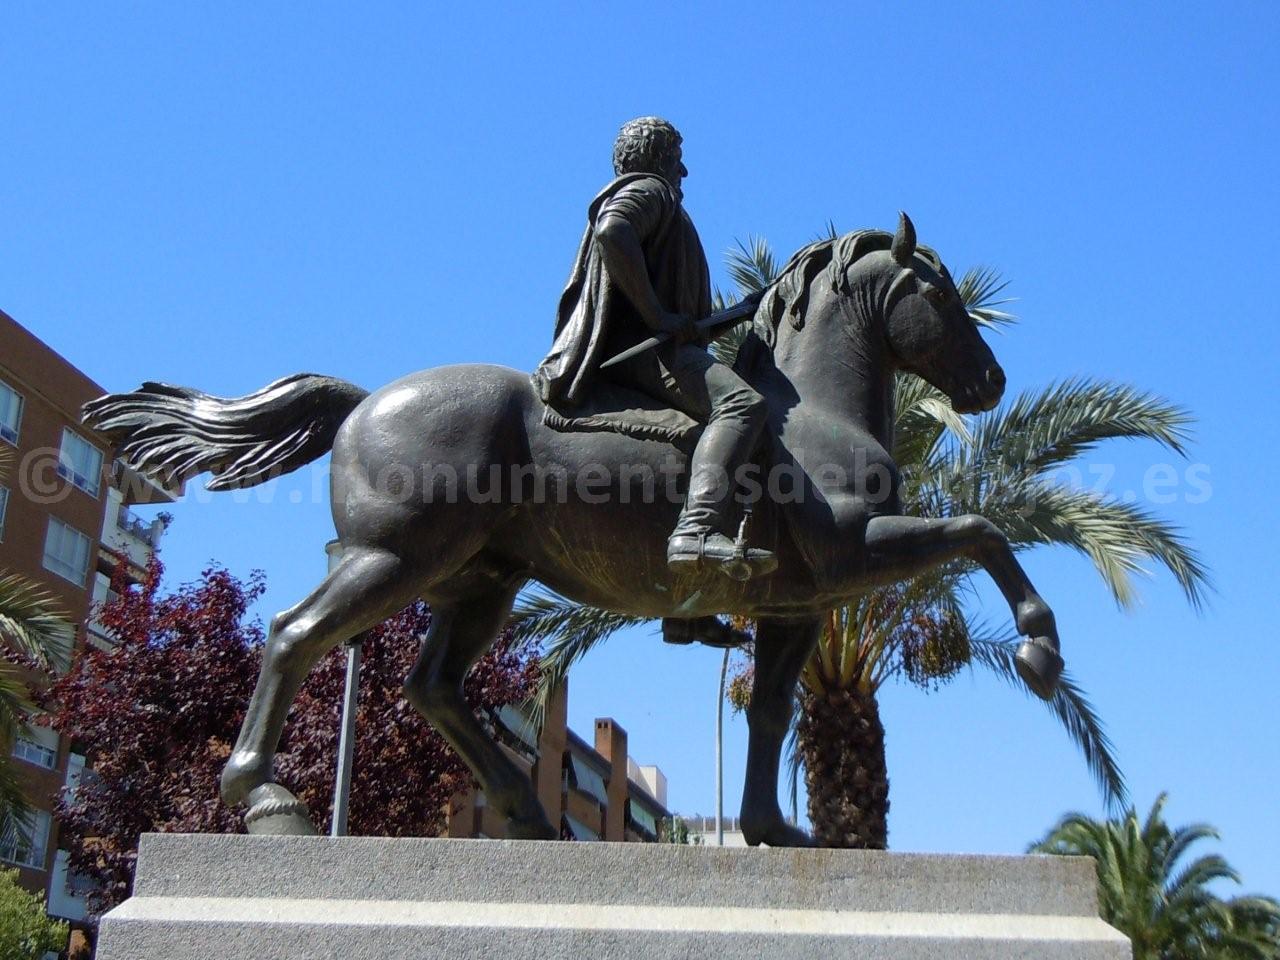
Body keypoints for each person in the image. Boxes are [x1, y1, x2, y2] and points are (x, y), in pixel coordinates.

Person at [533, 116, 774, 582]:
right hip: (641, 354)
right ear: (658, 159)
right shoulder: (650, 191)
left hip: (650, 349)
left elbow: (685, 328)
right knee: (742, 404)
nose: (683, 173)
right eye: (678, 160)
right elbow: (612, 231)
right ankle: (695, 532)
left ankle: (687, 609)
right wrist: (658, 318)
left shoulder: (659, 203)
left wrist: (738, 313)